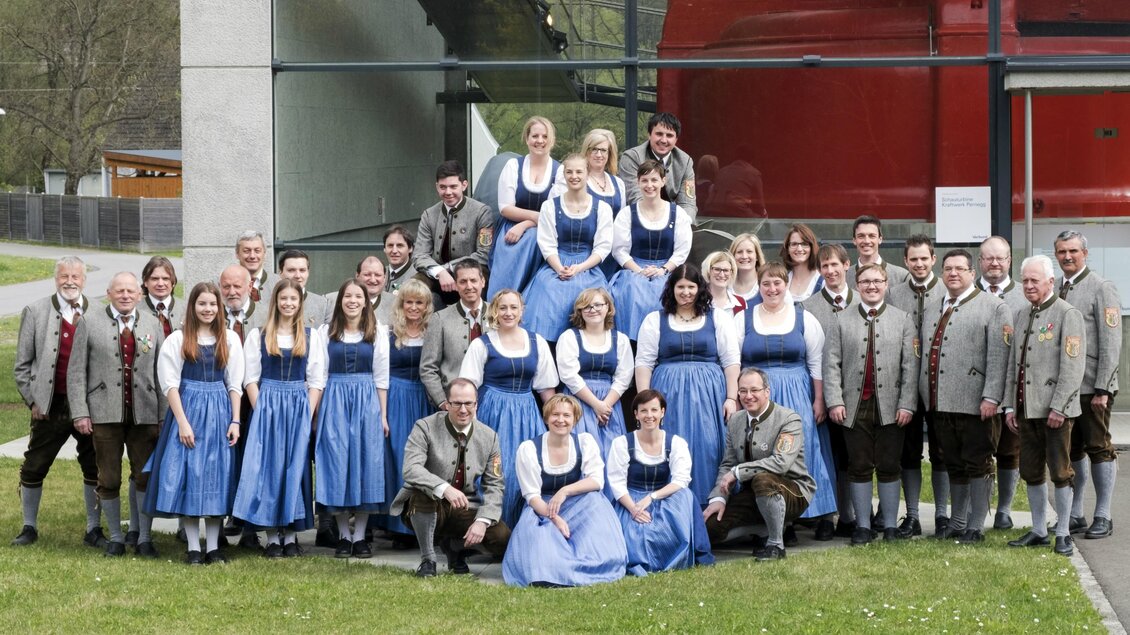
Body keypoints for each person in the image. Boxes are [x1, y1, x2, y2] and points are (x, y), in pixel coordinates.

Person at [144, 282, 244, 565]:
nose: (208, 309)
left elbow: (234, 383)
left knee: (215, 477)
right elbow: (170, 385)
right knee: (189, 476)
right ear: (193, 306)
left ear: (219, 307)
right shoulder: (178, 339)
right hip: (187, 411)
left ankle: (213, 547)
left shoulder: (230, 339)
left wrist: (235, 419)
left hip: (220, 413)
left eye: (213, 304)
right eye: (202, 304)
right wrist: (183, 423)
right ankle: (192, 547)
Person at [67, 272, 165, 558]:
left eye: (130, 291)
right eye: (119, 290)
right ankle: (117, 538)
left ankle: (144, 538)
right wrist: (80, 412)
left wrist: (162, 414)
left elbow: (161, 372)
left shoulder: (152, 323)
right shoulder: (89, 321)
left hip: (144, 413)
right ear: (108, 293)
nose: (125, 296)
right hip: (103, 413)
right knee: (108, 477)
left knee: (144, 475)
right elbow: (75, 372)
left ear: (139, 294)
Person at [738, 262, 837, 540]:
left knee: (804, 448)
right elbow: (734, 361)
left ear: (785, 286)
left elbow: (816, 360)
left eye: (778, 283)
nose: (772, 289)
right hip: (758, 395)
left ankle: (821, 514)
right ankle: (783, 521)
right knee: (766, 451)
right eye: (766, 284)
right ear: (759, 287)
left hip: (796, 391)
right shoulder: (744, 318)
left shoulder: (803, 318)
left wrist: (819, 399)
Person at [823, 264, 919, 544]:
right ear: (857, 285)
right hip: (854, 406)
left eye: (877, 281)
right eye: (865, 281)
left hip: (891, 406)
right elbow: (831, 365)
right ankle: (863, 526)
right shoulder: (841, 320)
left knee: (890, 464)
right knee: (858, 464)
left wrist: (907, 404)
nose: (872, 286)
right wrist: (835, 401)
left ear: (886, 284)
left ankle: (889, 525)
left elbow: (909, 367)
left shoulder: (902, 319)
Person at [11, 256, 103, 548]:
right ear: (56, 279)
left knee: (94, 465)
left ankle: (93, 528)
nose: (70, 282)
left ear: (84, 281)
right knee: (35, 464)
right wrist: (32, 400)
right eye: (64, 276)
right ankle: (28, 526)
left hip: (88, 406)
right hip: (49, 406)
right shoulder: (35, 311)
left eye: (76, 277)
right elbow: (22, 366)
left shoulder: (99, 312)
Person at [920, 249, 1011, 543]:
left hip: (976, 404)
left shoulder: (994, 307)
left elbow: (999, 358)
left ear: (973, 273)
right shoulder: (934, 307)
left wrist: (992, 398)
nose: (953, 273)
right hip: (941, 403)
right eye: (947, 269)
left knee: (979, 463)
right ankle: (957, 523)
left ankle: (975, 525)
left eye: (960, 268)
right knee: (952, 463)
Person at [232, 279, 327, 557]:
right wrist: (261, 409)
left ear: (300, 303)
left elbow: (316, 379)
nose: (288, 303)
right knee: (269, 470)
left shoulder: (310, 336)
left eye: (293, 299)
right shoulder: (259, 335)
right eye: (283, 298)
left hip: (298, 405)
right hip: (268, 404)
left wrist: (306, 415)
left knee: (295, 468)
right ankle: (273, 536)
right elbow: (250, 377)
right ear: (275, 302)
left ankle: (291, 536)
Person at [635, 264, 740, 504]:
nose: (686, 292)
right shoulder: (655, 320)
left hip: (709, 396)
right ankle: (672, 505)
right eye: (680, 287)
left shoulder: (717, 317)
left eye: (691, 287)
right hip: (668, 393)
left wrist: (731, 397)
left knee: (710, 447)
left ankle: (711, 505)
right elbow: (644, 363)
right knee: (669, 446)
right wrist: (646, 402)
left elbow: (731, 360)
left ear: (699, 288)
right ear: (671, 289)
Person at [1004, 255, 1086, 557]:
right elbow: (1014, 365)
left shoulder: (1068, 314)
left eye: (1033, 280)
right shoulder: (1022, 314)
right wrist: (1010, 407)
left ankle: (1063, 531)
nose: (1028, 286)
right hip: (1026, 410)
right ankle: (1039, 530)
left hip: (1055, 412)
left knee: (1061, 472)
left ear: (1050, 282)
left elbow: (1073, 366)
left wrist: (1060, 407)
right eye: (1024, 280)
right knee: (1031, 471)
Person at [502, 395, 627, 587]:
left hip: (577, 504)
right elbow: (532, 496)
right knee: (542, 543)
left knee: (596, 501)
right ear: (546, 418)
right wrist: (555, 518)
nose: (561, 420)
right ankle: (553, 570)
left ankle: (592, 565)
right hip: (542, 509)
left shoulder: (584, 442)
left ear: (575, 419)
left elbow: (596, 481)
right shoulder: (529, 449)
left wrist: (565, 491)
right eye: (555, 415)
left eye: (567, 415)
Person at [391, 378, 511, 577]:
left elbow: (495, 484)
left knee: (501, 538)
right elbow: (411, 469)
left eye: (468, 403)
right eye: (457, 403)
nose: (463, 409)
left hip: (465, 507)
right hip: (423, 504)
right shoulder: (425, 427)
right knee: (423, 493)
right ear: (447, 404)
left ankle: (455, 547)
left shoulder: (489, 437)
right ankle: (428, 560)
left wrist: (482, 520)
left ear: (476, 404)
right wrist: (444, 488)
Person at [459, 289, 559, 527]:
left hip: (526, 412)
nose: (508, 312)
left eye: (513, 307)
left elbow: (547, 389)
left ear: (522, 310)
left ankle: (521, 529)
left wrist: (553, 422)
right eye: (502, 307)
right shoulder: (481, 344)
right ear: (494, 310)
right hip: (493, 412)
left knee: (526, 468)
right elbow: (468, 387)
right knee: (495, 469)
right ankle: (492, 530)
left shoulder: (537, 342)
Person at [703, 368, 815, 561]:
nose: (748, 396)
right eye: (743, 391)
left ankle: (775, 545)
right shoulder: (736, 420)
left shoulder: (789, 419)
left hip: (793, 491)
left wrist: (739, 472)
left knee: (763, 480)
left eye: (754, 390)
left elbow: (781, 463)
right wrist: (718, 498)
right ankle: (762, 529)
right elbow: (728, 463)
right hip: (753, 494)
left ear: (767, 391)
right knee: (711, 529)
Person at [313, 278, 389, 559]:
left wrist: (383, 415)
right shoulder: (325, 332)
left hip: (367, 399)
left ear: (366, 301)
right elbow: (319, 374)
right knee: (337, 463)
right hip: (334, 398)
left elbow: (382, 376)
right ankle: (344, 535)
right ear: (340, 301)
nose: (353, 301)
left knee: (366, 462)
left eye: (358, 296)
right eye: (348, 296)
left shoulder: (377, 332)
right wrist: (317, 411)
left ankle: (360, 537)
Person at [1054, 230, 1121, 540]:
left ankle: (1103, 514)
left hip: (1093, 387)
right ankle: (1077, 513)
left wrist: (1104, 388)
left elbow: (1111, 340)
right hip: (1066, 387)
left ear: (1085, 253)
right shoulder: (1055, 287)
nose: (1067, 256)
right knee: (1074, 450)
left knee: (1099, 448)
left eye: (1073, 251)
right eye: (1062, 252)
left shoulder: (1100, 288)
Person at [607, 390, 714, 575]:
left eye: (654, 410)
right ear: (636, 414)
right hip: (631, 500)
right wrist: (633, 508)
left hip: (663, 497)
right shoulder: (622, 443)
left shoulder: (676, 443)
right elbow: (616, 482)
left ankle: (689, 553)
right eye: (644, 411)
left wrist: (652, 497)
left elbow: (681, 479)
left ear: (662, 412)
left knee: (686, 496)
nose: (649, 415)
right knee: (639, 535)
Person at [886, 234, 949, 537]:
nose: (920, 264)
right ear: (905, 261)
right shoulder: (894, 294)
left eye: (925, 258)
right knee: (908, 453)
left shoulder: (949, 291)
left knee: (941, 451)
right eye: (914, 259)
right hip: (906, 386)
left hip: (940, 385)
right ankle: (911, 516)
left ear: (933, 259)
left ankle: (942, 515)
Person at [802, 243, 861, 537]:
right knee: (828, 453)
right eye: (824, 266)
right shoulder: (809, 307)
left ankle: (850, 515)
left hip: (858, 392)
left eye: (835, 265)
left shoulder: (863, 301)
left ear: (847, 265)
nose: (830, 271)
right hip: (825, 393)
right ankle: (827, 514)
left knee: (853, 457)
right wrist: (820, 398)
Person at [522, 153, 613, 342]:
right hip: (557, 264)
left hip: (588, 267)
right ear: (563, 174)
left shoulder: (602, 208)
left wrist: (580, 267)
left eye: (579, 171)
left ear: (587, 173)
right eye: (569, 172)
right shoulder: (550, 206)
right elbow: (547, 243)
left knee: (591, 296)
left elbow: (603, 247)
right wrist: (559, 268)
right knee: (548, 290)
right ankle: (550, 348)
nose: (574, 176)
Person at [606, 159, 693, 340]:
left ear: (663, 181)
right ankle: (631, 344)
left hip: (666, 270)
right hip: (635, 270)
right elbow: (619, 250)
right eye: (644, 180)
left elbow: (681, 251)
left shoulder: (678, 214)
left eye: (654, 180)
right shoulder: (627, 214)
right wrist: (639, 271)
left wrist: (663, 269)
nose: (649, 185)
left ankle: (664, 343)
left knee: (665, 291)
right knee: (631, 291)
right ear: (638, 182)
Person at [379, 279, 437, 544]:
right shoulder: (388, 334)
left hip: (424, 399)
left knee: (426, 460)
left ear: (427, 307)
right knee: (398, 457)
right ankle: (397, 524)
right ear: (401, 304)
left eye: (419, 303)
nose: (413, 307)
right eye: (408, 302)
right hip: (397, 399)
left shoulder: (433, 332)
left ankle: (423, 522)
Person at [977, 236, 1027, 531]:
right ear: (979, 262)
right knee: (980, 452)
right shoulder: (967, 294)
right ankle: (979, 511)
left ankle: (1004, 511)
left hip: (1013, 391)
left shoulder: (1024, 294)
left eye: (1001, 258)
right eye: (989, 258)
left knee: (1011, 452)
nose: (995, 263)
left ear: (1010, 261)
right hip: (977, 390)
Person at [218, 264, 268, 548]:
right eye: (226, 286)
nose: (232, 292)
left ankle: (251, 528)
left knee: (253, 463)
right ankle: (225, 518)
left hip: (256, 403)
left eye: (238, 286)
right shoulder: (212, 314)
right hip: (221, 402)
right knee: (225, 462)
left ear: (250, 287)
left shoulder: (263, 316)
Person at [555, 288, 633, 464]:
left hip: (609, 402)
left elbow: (624, 377)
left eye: (598, 304)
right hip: (578, 401)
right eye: (586, 306)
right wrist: (596, 404)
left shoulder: (620, 340)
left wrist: (605, 405)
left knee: (610, 452)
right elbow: (569, 375)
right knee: (581, 453)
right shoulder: (570, 337)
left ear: (608, 308)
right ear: (580, 312)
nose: (593, 309)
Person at [488, 116, 562, 298]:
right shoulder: (513, 166)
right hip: (510, 227)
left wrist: (526, 224)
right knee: (516, 247)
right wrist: (532, 220)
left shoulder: (559, 171)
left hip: (545, 231)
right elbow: (505, 208)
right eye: (535, 136)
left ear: (551, 139)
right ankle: (500, 302)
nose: (540, 141)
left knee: (533, 238)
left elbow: (555, 215)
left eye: (545, 136)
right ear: (527, 138)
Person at [416, 161, 494, 306]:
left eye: (453, 186)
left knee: (475, 278)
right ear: (437, 187)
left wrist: (449, 268)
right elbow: (419, 255)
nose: (448, 192)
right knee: (414, 287)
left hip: (472, 270)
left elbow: (484, 254)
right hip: (437, 275)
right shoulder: (429, 215)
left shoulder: (481, 211)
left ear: (464, 185)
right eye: (443, 187)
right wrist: (440, 272)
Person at [419, 261, 490, 410]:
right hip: (453, 404)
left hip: (491, 402)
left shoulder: (497, 314)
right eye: (463, 282)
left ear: (482, 282)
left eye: (473, 280)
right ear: (456, 285)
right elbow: (428, 368)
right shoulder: (440, 319)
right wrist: (443, 402)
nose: (469, 286)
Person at [619, 112, 698, 220]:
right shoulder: (632, 157)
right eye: (659, 134)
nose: (664, 140)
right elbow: (636, 197)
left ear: (676, 139)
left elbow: (688, 203)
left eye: (669, 135)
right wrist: (659, 224)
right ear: (649, 134)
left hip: (675, 223)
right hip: (640, 221)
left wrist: (683, 225)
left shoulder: (686, 161)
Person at [847, 215, 909, 290]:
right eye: (861, 236)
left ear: (880, 239)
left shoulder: (901, 276)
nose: (866, 241)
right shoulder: (844, 277)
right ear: (854, 240)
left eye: (872, 236)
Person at [278, 249, 330, 327]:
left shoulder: (322, 304)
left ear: (308, 273)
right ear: (280, 273)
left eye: (302, 270)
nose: (298, 276)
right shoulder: (268, 303)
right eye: (291, 270)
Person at [141, 255, 184, 337]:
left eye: (165, 278)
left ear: (173, 282)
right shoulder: (136, 311)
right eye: (155, 279)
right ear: (145, 282)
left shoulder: (187, 309)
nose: (160, 284)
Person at [781, 223, 823, 302]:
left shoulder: (822, 282)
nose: (799, 249)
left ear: (812, 247)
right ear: (787, 249)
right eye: (794, 244)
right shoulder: (781, 281)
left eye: (804, 244)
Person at [236, 230, 276, 303]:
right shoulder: (222, 285)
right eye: (246, 251)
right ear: (237, 254)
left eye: (257, 251)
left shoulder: (278, 283)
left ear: (264, 254)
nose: (252, 256)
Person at [702, 251, 747, 316]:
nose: (722, 275)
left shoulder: (740, 303)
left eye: (726, 270)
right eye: (717, 269)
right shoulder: (698, 300)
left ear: (731, 273)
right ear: (708, 271)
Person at [729, 232, 768, 305]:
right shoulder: (726, 285)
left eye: (749, 251)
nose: (744, 256)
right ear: (733, 256)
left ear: (757, 256)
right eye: (739, 252)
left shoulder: (768, 284)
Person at [383, 226, 417, 294]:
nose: (394, 251)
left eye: (399, 245)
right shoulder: (377, 275)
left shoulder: (417, 278)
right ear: (384, 249)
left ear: (410, 248)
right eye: (390, 245)